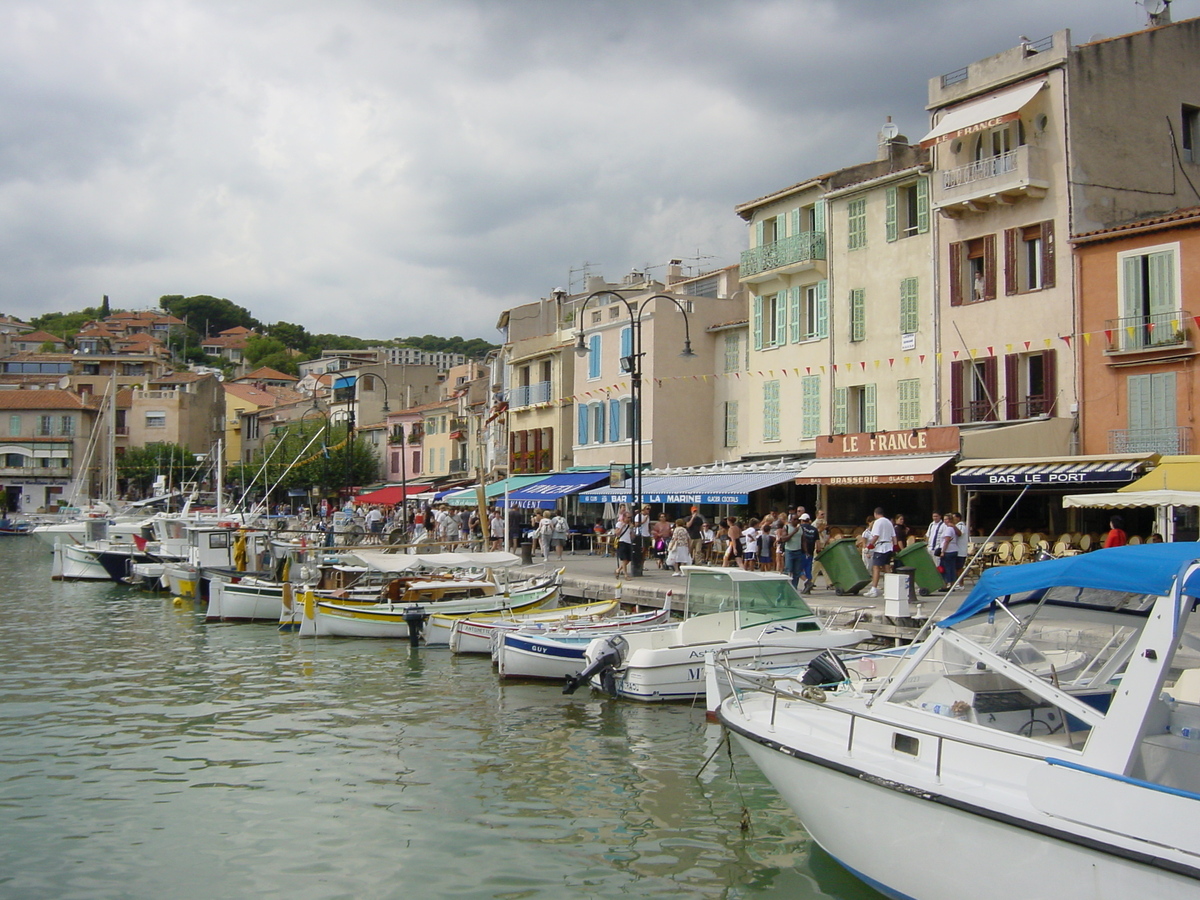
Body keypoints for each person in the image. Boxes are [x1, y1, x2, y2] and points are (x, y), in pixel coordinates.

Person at [863, 507, 896, 599]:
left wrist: (869, 546)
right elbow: (894, 536)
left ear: (875, 514)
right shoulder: (889, 522)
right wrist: (895, 546)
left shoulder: (878, 522)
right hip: (889, 547)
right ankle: (889, 589)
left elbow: (876, 536)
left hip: (881, 547)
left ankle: (874, 589)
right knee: (887, 567)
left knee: (876, 567)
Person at [939, 512, 964, 590]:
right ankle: (951, 584)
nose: (945, 521)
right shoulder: (952, 528)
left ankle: (946, 584)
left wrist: (943, 551)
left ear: (950, 520)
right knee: (951, 568)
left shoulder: (949, 529)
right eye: (944, 519)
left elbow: (947, 540)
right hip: (953, 550)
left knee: (946, 568)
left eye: (946, 519)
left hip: (948, 551)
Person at [614, 510, 633, 578]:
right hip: (622, 542)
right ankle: (625, 574)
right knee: (624, 559)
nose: (629, 519)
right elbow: (617, 533)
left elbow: (632, 536)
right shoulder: (619, 524)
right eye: (628, 517)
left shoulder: (629, 525)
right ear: (624, 517)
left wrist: (632, 528)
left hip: (628, 542)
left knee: (628, 560)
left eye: (630, 517)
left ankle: (618, 570)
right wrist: (622, 526)